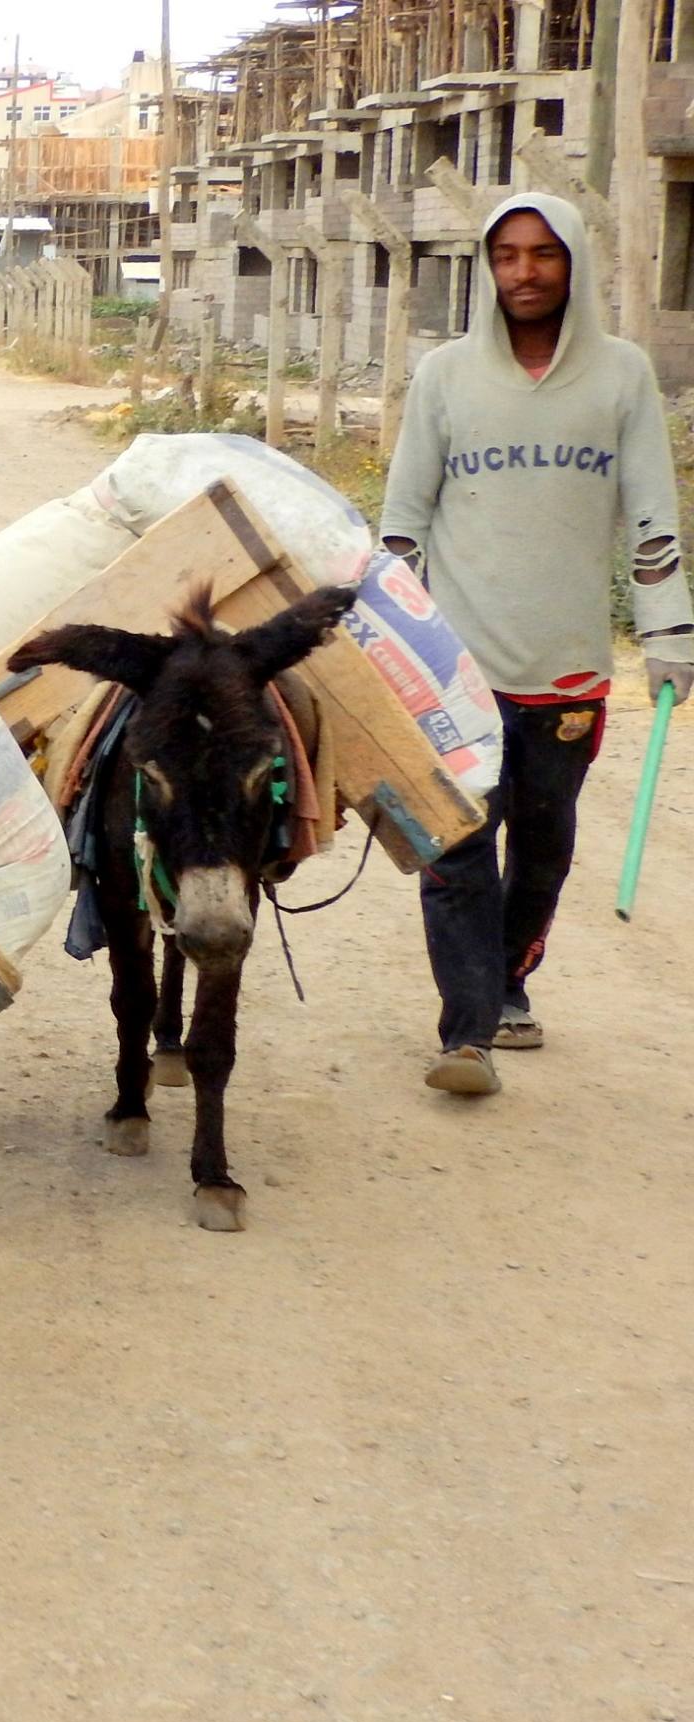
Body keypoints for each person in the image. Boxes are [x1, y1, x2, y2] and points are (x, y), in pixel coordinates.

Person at [379, 192, 694, 1097]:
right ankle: (467, 1036)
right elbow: (403, 523)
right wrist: (387, 643)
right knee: (457, 851)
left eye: (543, 254)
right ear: (488, 267)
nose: (525, 272)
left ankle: (509, 980)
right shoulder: (445, 377)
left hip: (568, 675)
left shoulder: (622, 376)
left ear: (574, 265)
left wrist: (670, 631)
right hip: (454, 675)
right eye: (508, 255)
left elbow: (651, 522)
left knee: (543, 853)